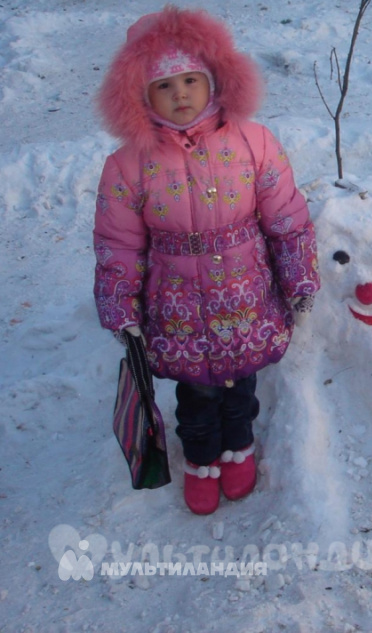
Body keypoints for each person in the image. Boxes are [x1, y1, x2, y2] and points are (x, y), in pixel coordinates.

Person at [93, 6, 319, 515]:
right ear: (140, 96)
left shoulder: (253, 141)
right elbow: (118, 243)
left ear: (213, 79)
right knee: (196, 395)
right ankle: (201, 460)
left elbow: (285, 215)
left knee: (241, 388)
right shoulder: (128, 163)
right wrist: (120, 307)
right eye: (164, 86)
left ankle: (239, 448)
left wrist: (299, 278)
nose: (180, 94)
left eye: (190, 80)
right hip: (178, 306)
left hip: (246, 294)